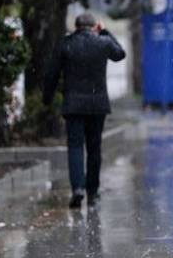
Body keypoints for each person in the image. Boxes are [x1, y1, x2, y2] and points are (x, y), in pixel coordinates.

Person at [43, 13, 126, 209]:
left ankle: (78, 189)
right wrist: (105, 31)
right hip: (98, 105)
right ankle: (93, 192)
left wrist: (47, 98)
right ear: (94, 26)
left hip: (73, 105)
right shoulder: (103, 42)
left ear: (76, 26)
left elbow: (52, 73)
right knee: (94, 148)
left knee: (75, 147)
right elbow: (120, 54)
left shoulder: (66, 43)